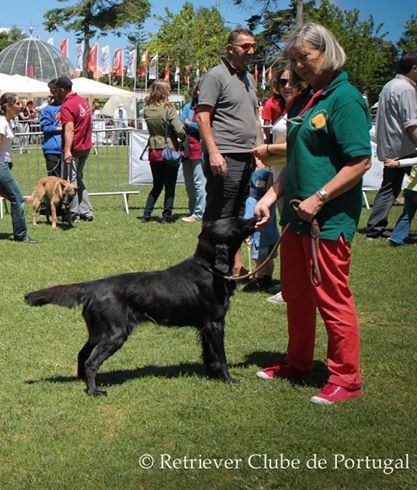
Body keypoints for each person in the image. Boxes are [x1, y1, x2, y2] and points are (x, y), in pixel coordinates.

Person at [254, 23, 372, 405]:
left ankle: (346, 379)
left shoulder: (345, 99)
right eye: (294, 60)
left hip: (327, 221)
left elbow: (360, 162)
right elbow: (296, 160)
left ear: (327, 52)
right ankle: (298, 361)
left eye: (305, 57)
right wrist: (272, 196)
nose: (298, 66)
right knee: (297, 295)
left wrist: (320, 198)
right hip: (295, 219)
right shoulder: (304, 100)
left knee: (331, 297)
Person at [197, 28, 264, 276]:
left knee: (236, 214)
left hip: (246, 155)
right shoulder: (216, 76)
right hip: (225, 154)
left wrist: (258, 151)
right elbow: (203, 116)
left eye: (253, 46)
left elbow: (254, 118)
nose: (251, 51)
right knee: (218, 214)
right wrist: (214, 152)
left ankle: (233, 266)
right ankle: (206, 265)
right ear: (230, 48)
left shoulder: (248, 78)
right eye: (245, 46)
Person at [252, 67, 307, 303]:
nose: (287, 85)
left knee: (292, 233)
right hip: (279, 177)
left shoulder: (304, 110)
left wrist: (268, 150)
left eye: (293, 80)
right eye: (283, 81)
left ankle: (292, 288)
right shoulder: (288, 109)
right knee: (288, 233)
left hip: (295, 179)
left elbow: (300, 145)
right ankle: (291, 285)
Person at [365, 52, 417, 239]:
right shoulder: (406, 89)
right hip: (405, 148)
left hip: (390, 145)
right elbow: (411, 124)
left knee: (389, 188)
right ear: (414, 68)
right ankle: (376, 228)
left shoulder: (389, 86)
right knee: (391, 188)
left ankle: (375, 227)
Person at [141, 79, 186, 224]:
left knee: (157, 184)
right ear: (162, 91)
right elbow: (179, 130)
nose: (170, 91)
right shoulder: (168, 108)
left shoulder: (147, 108)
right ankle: (166, 217)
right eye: (168, 89)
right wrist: (184, 137)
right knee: (170, 185)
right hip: (169, 149)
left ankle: (146, 214)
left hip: (154, 149)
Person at [54, 76, 94, 223]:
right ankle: (86, 211)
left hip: (74, 148)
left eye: (57, 90)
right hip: (85, 146)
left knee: (71, 182)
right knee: (78, 178)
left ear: (63, 89)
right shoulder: (83, 101)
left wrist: (67, 150)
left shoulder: (67, 105)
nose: (55, 93)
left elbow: (69, 129)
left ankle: (73, 213)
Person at [0, 92, 36, 243]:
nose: (20, 106)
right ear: (7, 106)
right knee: (18, 199)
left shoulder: (6, 122)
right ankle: (21, 235)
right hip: (1, 166)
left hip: (4, 165)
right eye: (17, 104)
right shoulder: (2, 123)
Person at [242, 166, 279, 292]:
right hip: (273, 236)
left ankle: (257, 280)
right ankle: (268, 278)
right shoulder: (271, 201)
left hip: (260, 238)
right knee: (269, 259)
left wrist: (246, 234)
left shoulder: (252, 201)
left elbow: (248, 220)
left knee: (260, 260)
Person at [179, 83, 206, 222]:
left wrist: (191, 124)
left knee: (199, 182)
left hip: (199, 148)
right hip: (186, 148)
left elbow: (206, 127)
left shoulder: (207, 109)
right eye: (200, 89)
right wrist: (189, 124)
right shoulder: (188, 106)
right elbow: (181, 122)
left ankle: (200, 212)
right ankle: (192, 209)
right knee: (189, 183)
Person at [387, 158, 417, 246]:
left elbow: (412, 160)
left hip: (409, 190)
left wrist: (397, 163)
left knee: (406, 215)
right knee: (407, 214)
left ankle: (396, 238)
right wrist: (398, 163)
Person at [39, 79, 62, 177]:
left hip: (71, 149)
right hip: (53, 150)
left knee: (70, 184)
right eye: (51, 90)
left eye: (55, 90)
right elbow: (45, 127)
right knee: (55, 183)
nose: (53, 92)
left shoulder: (71, 106)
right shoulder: (48, 109)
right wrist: (61, 129)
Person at [262, 70, 286, 142]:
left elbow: (266, 124)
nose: (287, 86)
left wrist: (268, 139)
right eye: (283, 82)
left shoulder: (269, 103)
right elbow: (266, 124)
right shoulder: (270, 103)